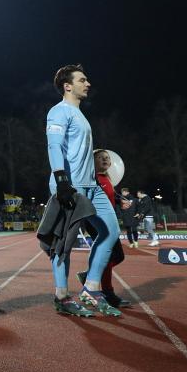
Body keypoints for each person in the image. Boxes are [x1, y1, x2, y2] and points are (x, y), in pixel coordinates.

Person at [45, 64, 121, 317]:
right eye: (82, 80)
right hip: (70, 186)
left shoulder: (81, 115)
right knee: (63, 244)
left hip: (92, 186)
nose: (87, 84)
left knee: (110, 231)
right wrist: (61, 179)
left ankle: (91, 287)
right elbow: (54, 146)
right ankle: (62, 295)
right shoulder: (59, 111)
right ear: (68, 86)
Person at [74, 150, 130, 307]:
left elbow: (110, 195)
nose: (105, 159)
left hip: (108, 222)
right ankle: (108, 293)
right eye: (100, 158)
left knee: (117, 256)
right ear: (93, 162)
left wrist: (119, 200)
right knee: (113, 255)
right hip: (97, 222)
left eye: (107, 158)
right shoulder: (91, 179)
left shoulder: (107, 179)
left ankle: (90, 275)